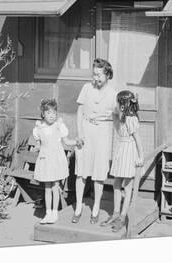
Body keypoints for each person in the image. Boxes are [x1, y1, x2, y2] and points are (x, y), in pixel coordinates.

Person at [72, 58, 116, 224]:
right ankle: (78, 207)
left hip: (103, 132)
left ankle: (96, 207)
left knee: (99, 172)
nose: (95, 78)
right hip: (86, 129)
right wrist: (80, 133)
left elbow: (117, 115)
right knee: (81, 170)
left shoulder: (112, 93)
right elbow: (79, 111)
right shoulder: (86, 88)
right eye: (94, 74)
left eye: (98, 75)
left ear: (107, 75)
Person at [33, 99, 83, 224]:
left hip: (56, 159)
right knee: (47, 187)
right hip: (45, 159)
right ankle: (48, 213)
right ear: (43, 114)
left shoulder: (59, 125)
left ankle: (55, 212)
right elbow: (38, 144)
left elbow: (66, 141)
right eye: (48, 113)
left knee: (56, 186)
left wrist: (76, 142)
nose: (51, 116)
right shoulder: (39, 127)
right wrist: (36, 147)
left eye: (54, 113)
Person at [104, 90, 144, 232]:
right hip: (121, 150)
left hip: (129, 152)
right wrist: (116, 110)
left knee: (127, 187)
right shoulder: (121, 117)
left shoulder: (131, 119)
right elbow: (115, 119)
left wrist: (141, 156)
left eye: (118, 102)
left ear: (123, 105)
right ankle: (115, 213)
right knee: (116, 183)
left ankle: (122, 216)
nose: (116, 105)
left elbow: (137, 140)